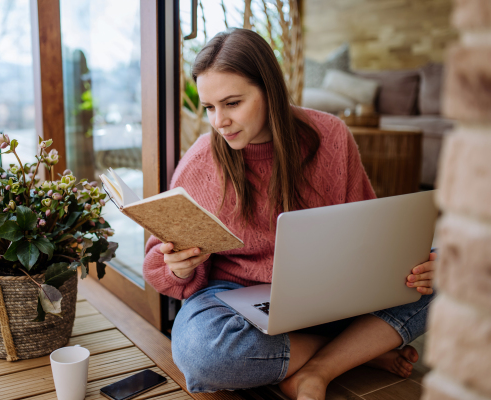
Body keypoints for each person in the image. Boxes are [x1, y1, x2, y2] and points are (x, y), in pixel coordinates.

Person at [142, 29, 436, 400]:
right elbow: (158, 262)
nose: (219, 122)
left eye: (232, 103)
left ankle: (317, 368)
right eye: (209, 107)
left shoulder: (330, 136)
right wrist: (179, 268)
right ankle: (355, 351)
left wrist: (420, 264)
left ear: (270, 91)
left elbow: (369, 228)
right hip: (236, 295)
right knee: (201, 353)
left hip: (329, 290)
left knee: (446, 273)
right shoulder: (202, 160)